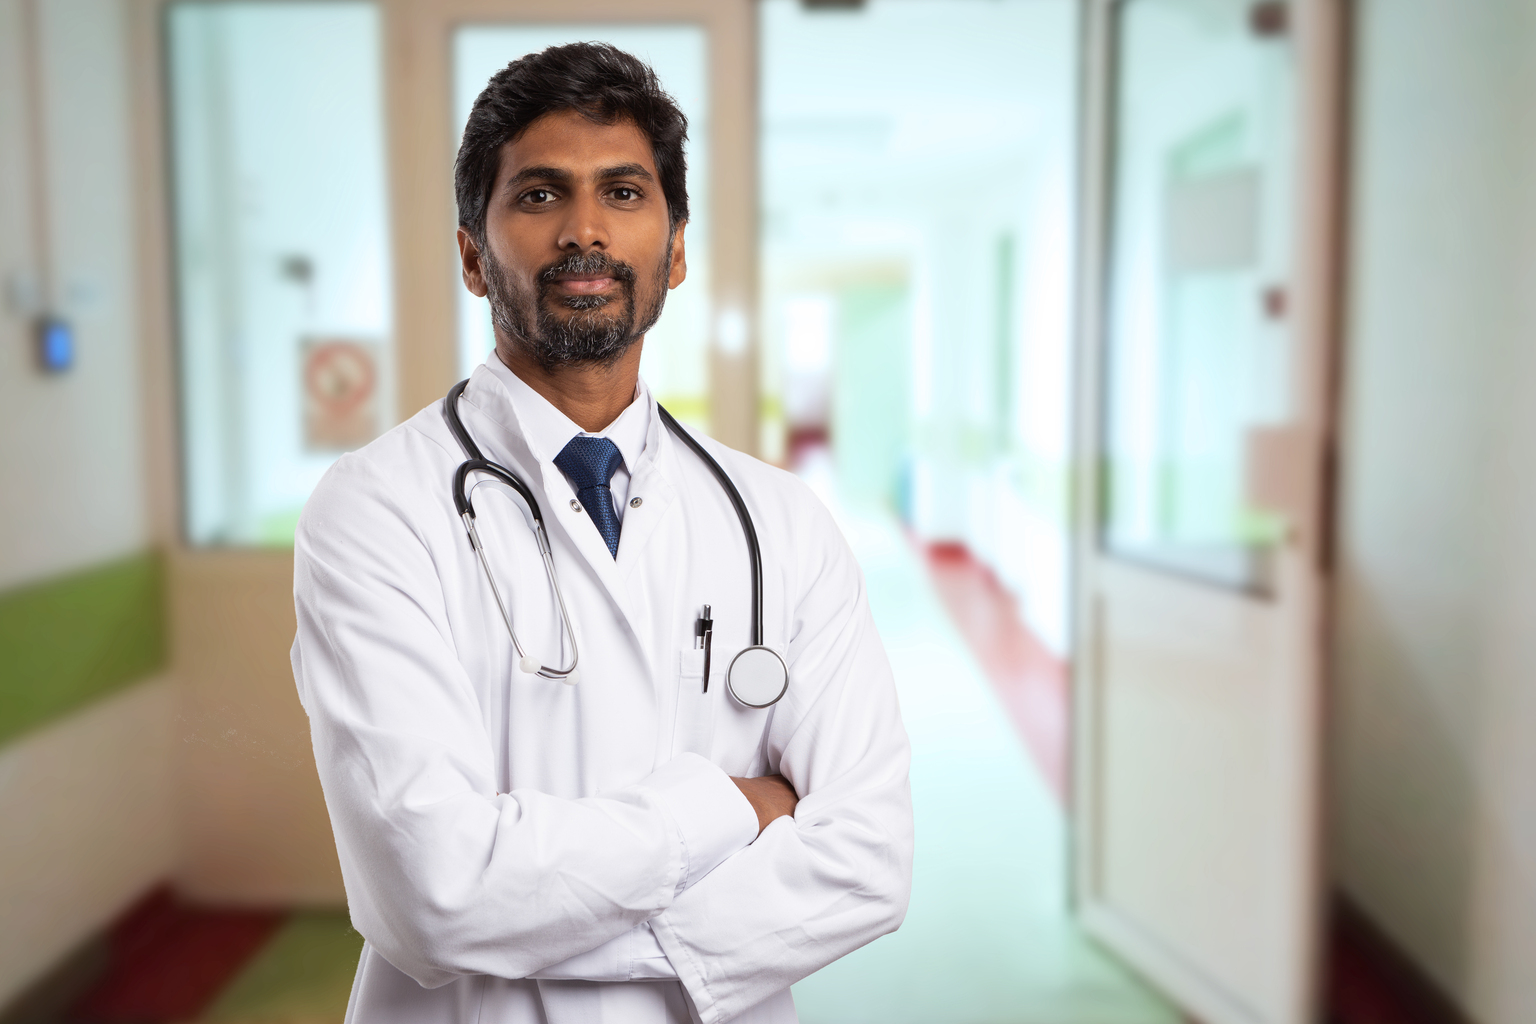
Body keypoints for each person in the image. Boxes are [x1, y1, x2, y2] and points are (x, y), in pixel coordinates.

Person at [291, 42, 913, 1024]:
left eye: (623, 192)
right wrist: (732, 807)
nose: (585, 228)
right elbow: (431, 893)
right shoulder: (375, 509)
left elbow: (867, 858)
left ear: (673, 247)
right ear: (471, 253)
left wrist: (540, 917)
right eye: (539, 195)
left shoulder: (779, 523)